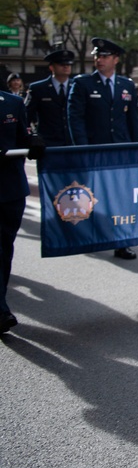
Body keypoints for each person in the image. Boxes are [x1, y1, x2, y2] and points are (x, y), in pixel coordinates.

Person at [68, 37, 138, 260]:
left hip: (120, 151)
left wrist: (137, 148)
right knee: (93, 196)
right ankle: (89, 236)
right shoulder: (83, 84)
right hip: (95, 150)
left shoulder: (126, 85)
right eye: (97, 56)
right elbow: (76, 119)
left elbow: (133, 121)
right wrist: (83, 149)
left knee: (121, 197)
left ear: (115, 59)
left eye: (104, 56)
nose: (99, 60)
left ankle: (122, 242)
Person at [0, 90, 44, 334]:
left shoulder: (13, 103)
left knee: (6, 249)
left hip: (11, 189)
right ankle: (1, 311)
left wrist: (34, 142)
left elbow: (23, 137)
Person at [25, 48, 75, 146]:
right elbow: (26, 115)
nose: (66, 67)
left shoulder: (77, 86)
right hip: (47, 143)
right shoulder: (38, 88)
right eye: (61, 64)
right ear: (52, 67)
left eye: (68, 64)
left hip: (72, 142)